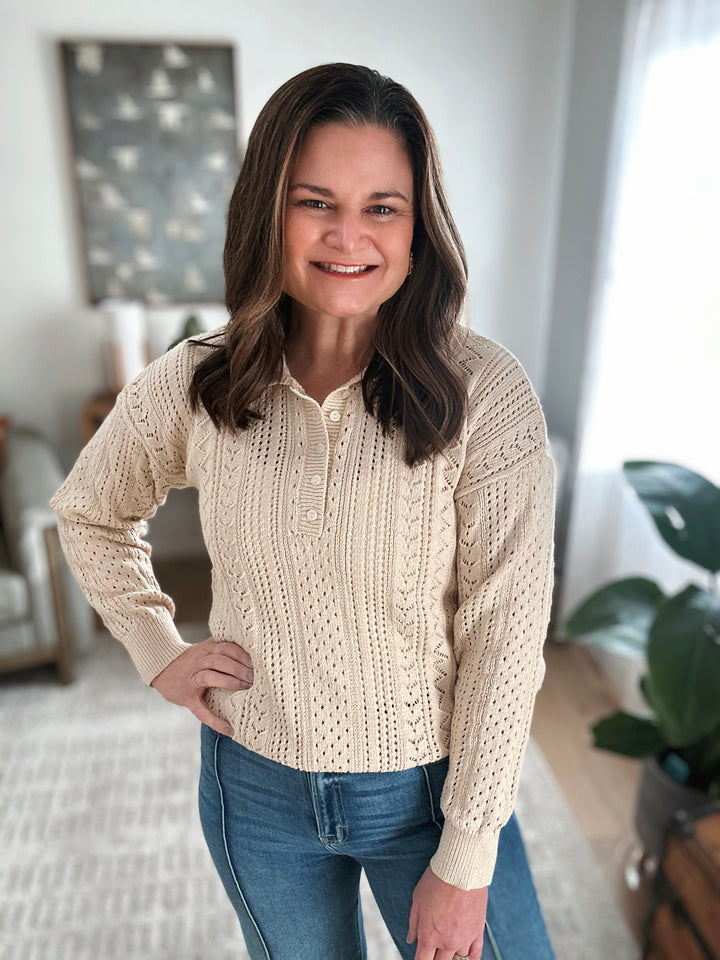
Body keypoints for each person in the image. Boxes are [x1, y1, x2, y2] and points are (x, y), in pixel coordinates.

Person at [49, 63, 557, 960]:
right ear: (267, 212)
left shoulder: (487, 394)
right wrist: (157, 650)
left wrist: (468, 854)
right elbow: (89, 513)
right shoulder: (201, 378)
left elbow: (506, 640)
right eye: (314, 200)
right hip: (256, 789)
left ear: (418, 224)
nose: (347, 235)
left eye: (382, 207)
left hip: (429, 796)